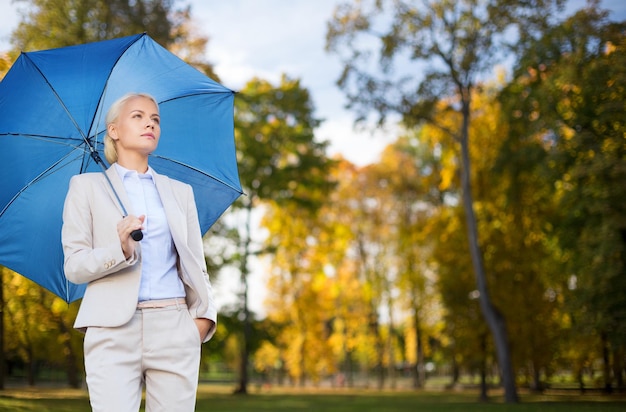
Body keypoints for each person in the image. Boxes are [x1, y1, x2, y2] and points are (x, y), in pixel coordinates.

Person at [62, 92, 217, 412]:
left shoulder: (180, 192)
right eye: (138, 116)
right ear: (114, 131)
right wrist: (119, 249)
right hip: (112, 330)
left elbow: (196, 264)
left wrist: (202, 319)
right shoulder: (86, 187)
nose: (150, 122)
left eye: (155, 119)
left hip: (174, 328)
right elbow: (74, 266)